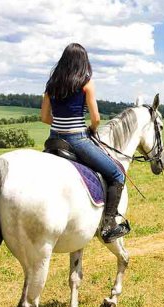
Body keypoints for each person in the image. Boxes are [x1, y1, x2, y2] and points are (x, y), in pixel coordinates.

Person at [40, 43, 129, 243]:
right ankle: (109, 225)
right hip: (77, 139)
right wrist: (91, 130)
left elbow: (44, 117)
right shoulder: (86, 83)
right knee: (117, 173)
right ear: (83, 62)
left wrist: (60, 124)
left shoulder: (51, 84)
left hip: (54, 139)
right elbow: (96, 118)